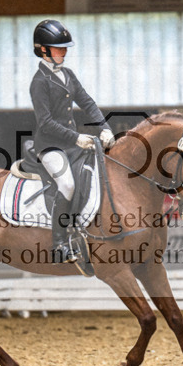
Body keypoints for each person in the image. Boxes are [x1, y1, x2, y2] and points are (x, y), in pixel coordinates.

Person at [29, 19, 115, 263]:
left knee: (94, 173)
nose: (64, 52)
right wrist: (77, 138)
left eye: (65, 47)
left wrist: (105, 129)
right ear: (43, 49)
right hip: (50, 146)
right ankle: (59, 244)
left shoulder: (67, 75)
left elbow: (87, 102)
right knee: (67, 184)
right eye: (59, 48)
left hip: (71, 143)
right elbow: (45, 122)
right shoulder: (39, 82)